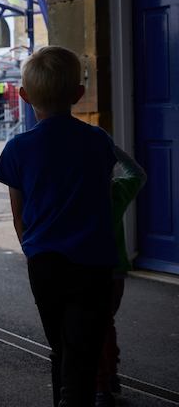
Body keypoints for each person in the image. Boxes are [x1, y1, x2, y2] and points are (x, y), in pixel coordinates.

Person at [0, 46, 117, 406]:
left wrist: (30, 248)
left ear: (24, 95)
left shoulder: (17, 149)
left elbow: (20, 214)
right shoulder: (98, 141)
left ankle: (65, 396)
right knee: (85, 346)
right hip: (94, 260)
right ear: (79, 95)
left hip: (45, 263)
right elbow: (104, 198)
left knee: (60, 343)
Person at [96, 146, 146, 407]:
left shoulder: (80, 197)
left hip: (90, 270)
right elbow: (138, 174)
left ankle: (101, 386)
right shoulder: (118, 191)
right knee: (107, 323)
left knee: (91, 329)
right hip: (116, 271)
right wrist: (114, 151)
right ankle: (112, 376)